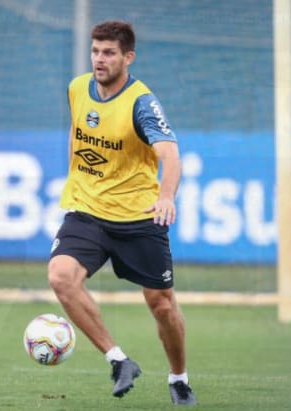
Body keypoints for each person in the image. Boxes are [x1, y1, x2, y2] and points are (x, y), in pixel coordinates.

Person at [48, 21, 196, 405]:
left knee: (161, 303)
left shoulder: (142, 103)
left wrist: (166, 196)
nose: (100, 59)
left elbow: (171, 155)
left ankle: (178, 377)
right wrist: (76, 178)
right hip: (88, 211)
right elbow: (77, 130)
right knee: (61, 277)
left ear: (128, 57)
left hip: (137, 216)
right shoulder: (77, 87)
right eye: (96, 51)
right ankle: (118, 360)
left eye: (109, 52)